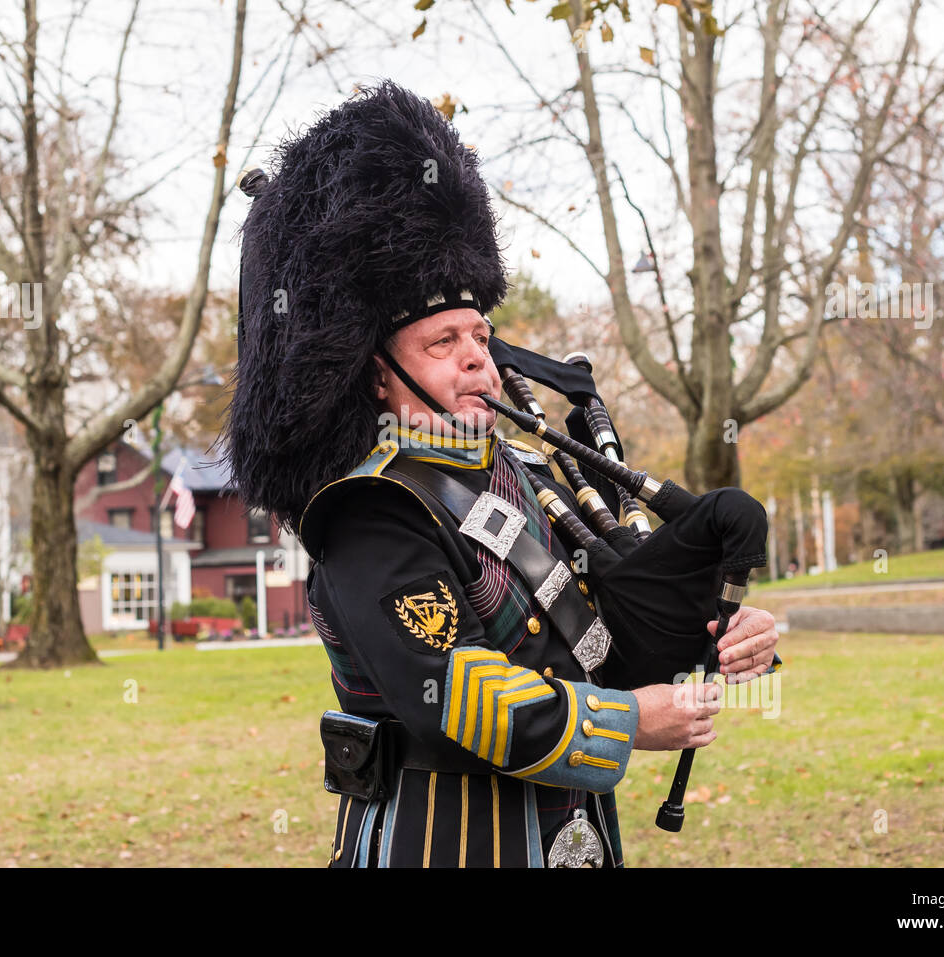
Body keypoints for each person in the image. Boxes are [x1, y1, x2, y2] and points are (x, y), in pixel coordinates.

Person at [226, 81, 779, 868]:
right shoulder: (368, 511)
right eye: (443, 341)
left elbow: (592, 645)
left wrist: (716, 634)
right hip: (439, 844)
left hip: (570, 835)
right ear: (376, 373)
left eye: (479, 333)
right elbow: (452, 694)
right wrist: (630, 723)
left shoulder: (513, 472)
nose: (477, 356)